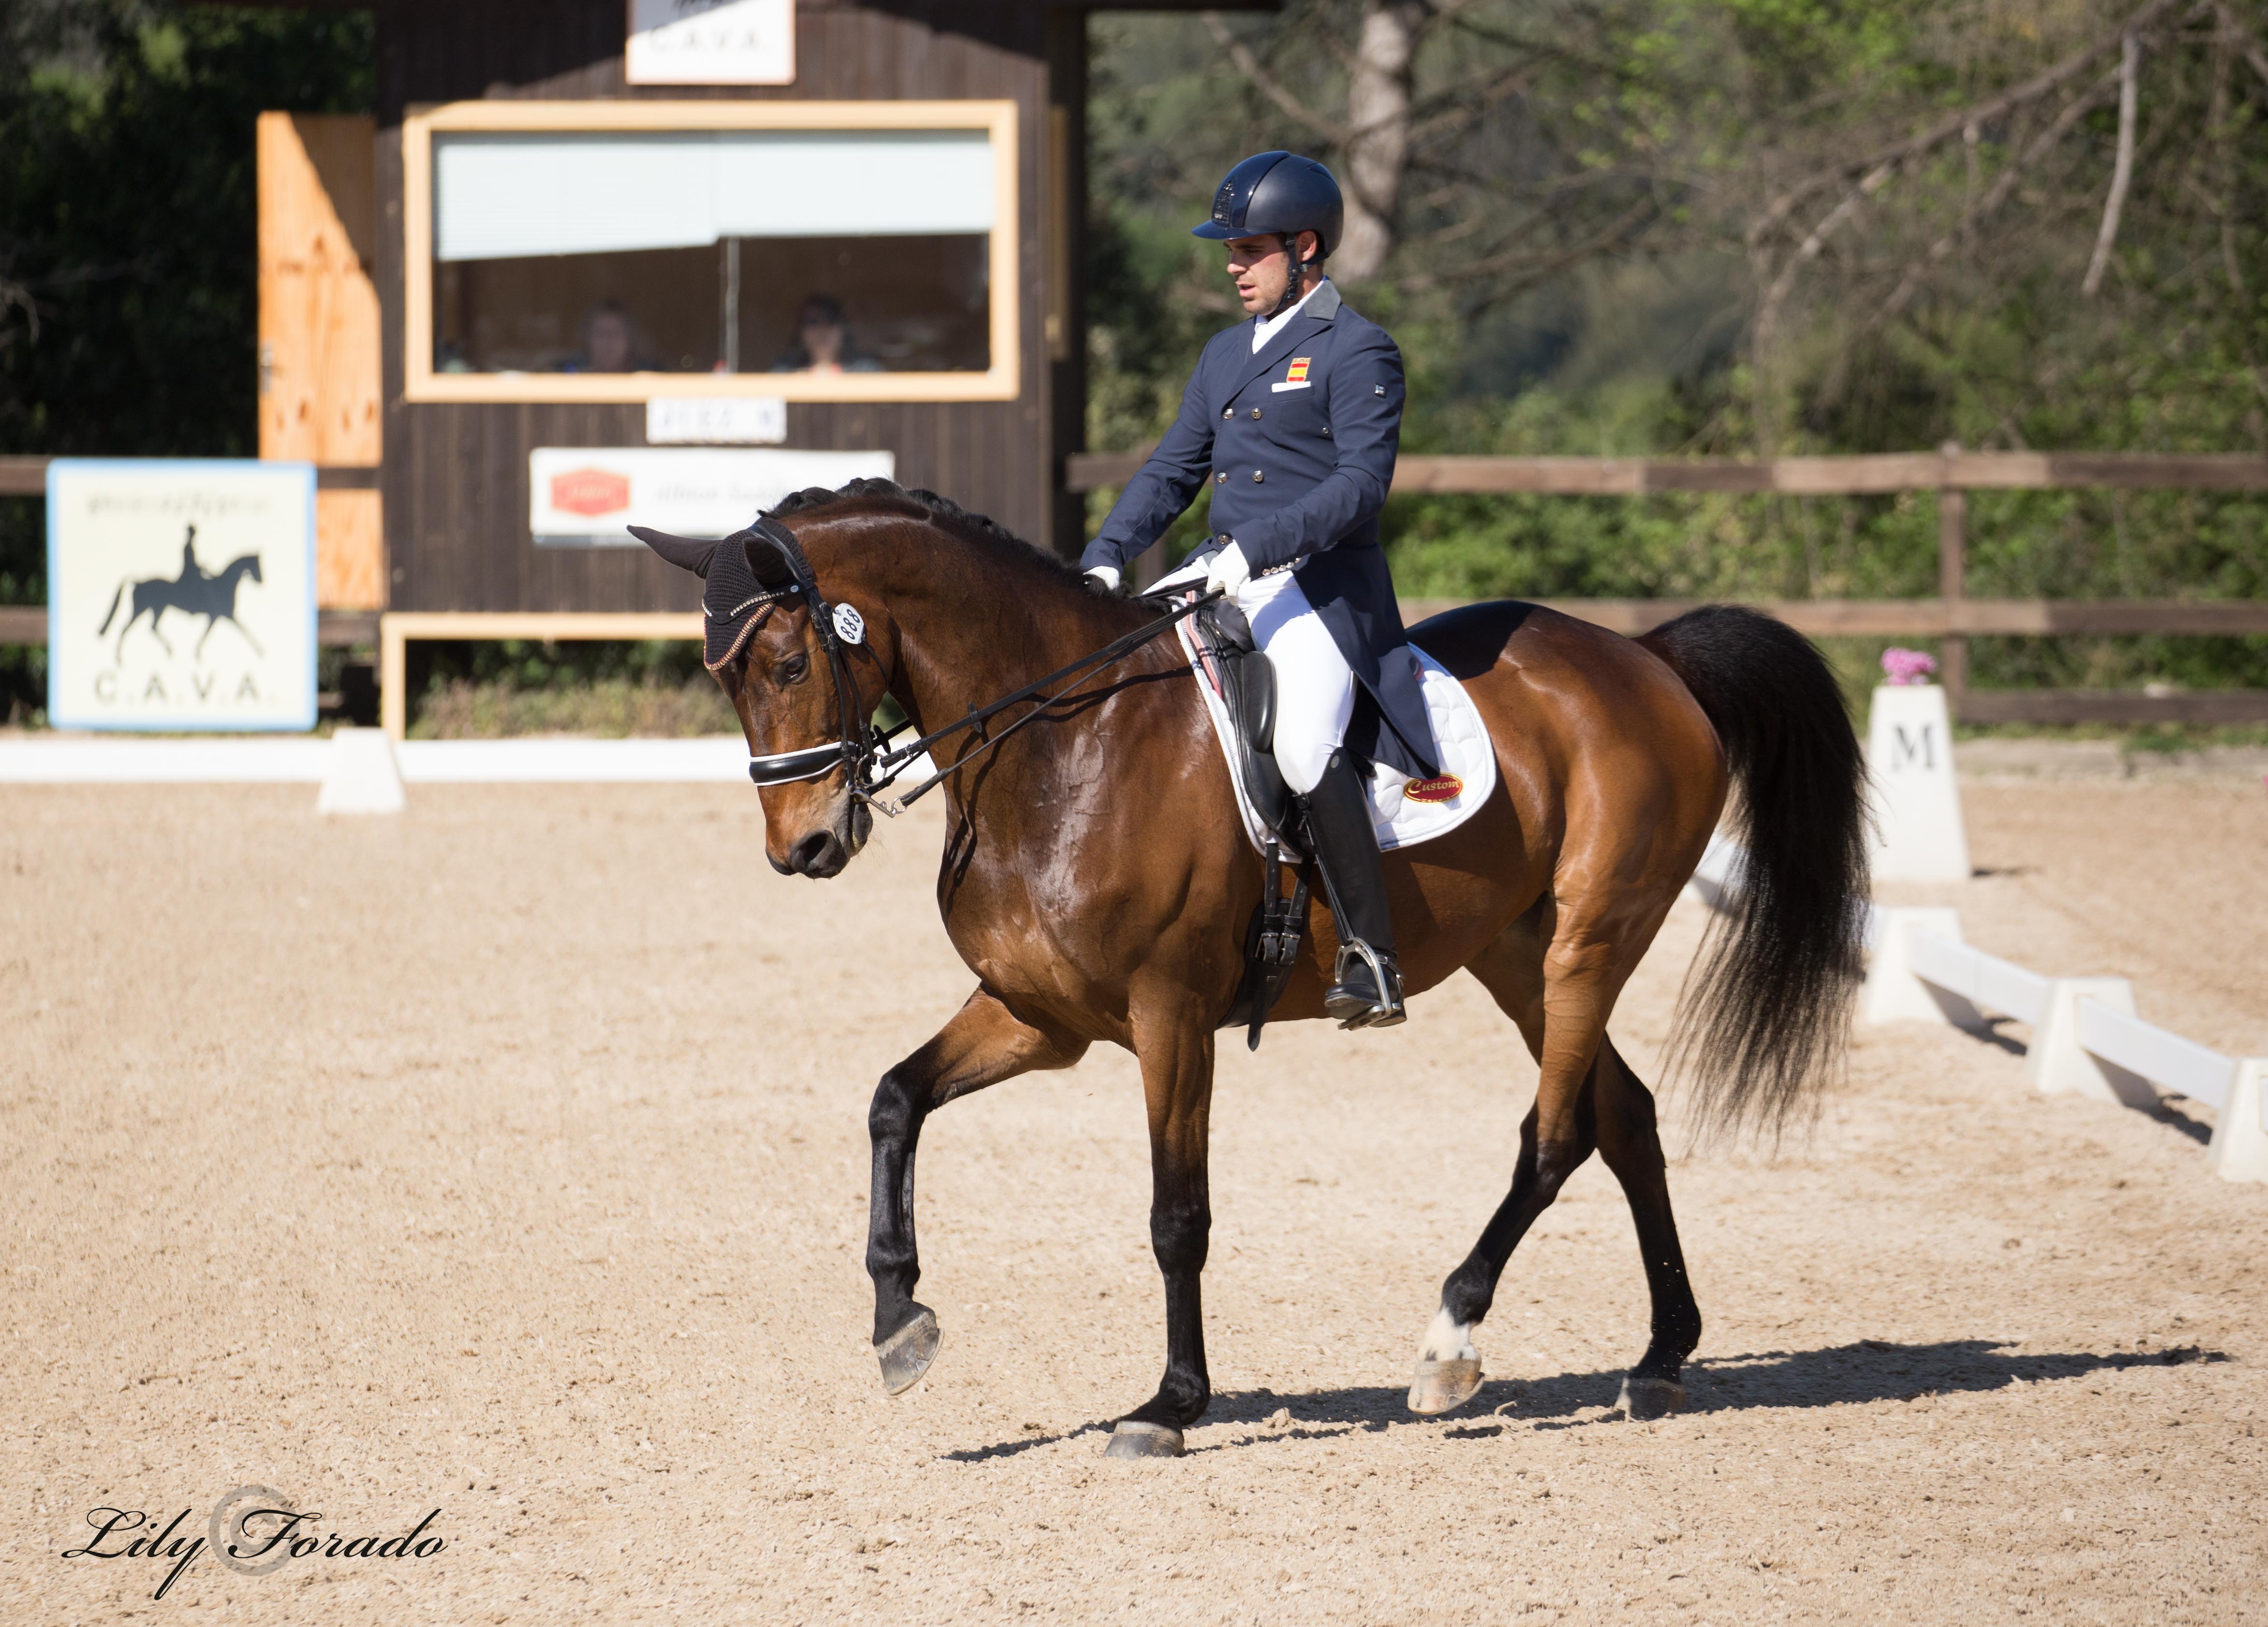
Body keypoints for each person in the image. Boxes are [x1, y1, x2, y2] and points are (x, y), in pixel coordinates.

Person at [1081, 151, 1442, 1030]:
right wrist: (1103, 559)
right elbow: (1172, 470)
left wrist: (1253, 550)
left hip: (1318, 591)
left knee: (1305, 744)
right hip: (1221, 570)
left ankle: (1369, 954)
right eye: (1228, 251)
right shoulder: (1222, 353)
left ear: (1305, 247)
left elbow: (1361, 485)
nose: (1232, 266)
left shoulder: (1357, 350)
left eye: (1249, 250)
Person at [769, 293, 885, 374]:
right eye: (813, 322)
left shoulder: (866, 371)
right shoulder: (786, 372)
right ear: (801, 332)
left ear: (843, 330)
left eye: (831, 321)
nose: (822, 330)